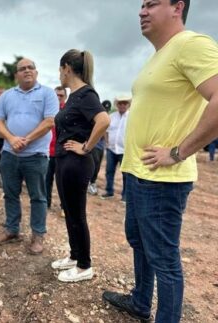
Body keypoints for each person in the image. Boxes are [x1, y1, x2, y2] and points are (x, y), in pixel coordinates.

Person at [102, 1, 218, 322]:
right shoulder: (160, 55)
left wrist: (178, 151)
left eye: (151, 3)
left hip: (163, 178)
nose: (141, 11)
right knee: (138, 241)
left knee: (164, 259)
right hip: (138, 172)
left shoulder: (191, 44)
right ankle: (140, 302)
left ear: (177, 6)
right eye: (141, 5)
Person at [50, 49, 110, 282]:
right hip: (65, 161)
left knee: (77, 214)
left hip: (76, 162)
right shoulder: (74, 95)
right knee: (69, 212)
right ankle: (75, 256)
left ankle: (85, 265)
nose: (59, 75)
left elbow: (104, 120)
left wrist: (86, 147)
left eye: (60, 70)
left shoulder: (85, 94)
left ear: (66, 68)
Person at [0, 58, 59, 255]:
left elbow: (49, 122)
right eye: (22, 69)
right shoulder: (7, 96)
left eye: (30, 68)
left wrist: (26, 140)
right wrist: (12, 139)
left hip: (36, 155)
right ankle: (12, 229)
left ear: (36, 72)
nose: (27, 71)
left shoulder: (47, 94)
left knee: (38, 196)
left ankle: (38, 234)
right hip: (10, 154)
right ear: (16, 75)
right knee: (10, 193)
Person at [101, 95, 131, 201]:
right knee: (109, 171)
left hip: (125, 151)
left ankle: (125, 196)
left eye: (124, 103)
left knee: (126, 174)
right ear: (117, 104)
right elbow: (105, 130)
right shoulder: (112, 116)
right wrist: (107, 142)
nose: (122, 105)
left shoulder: (132, 117)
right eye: (120, 103)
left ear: (128, 105)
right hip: (111, 149)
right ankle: (109, 191)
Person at [45, 86, 66, 208]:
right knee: (47, 180)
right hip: (48, 151)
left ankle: (64, 206)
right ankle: (46, 204)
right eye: (56, 95)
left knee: (62, 183)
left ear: (65, 97)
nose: (58, 98)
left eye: (61, 95)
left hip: (61, 153)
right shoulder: (48, 110)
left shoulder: (68, 111)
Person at [88, 100, 112, 196]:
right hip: (94, 145)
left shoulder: (108, 118)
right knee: (94, 163)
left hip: (101, 146)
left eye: (107, 109)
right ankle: (89, 182)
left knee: (98, 165)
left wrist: (107, 142)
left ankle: (92, 182)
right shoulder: (95, 118)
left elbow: (106, 132)